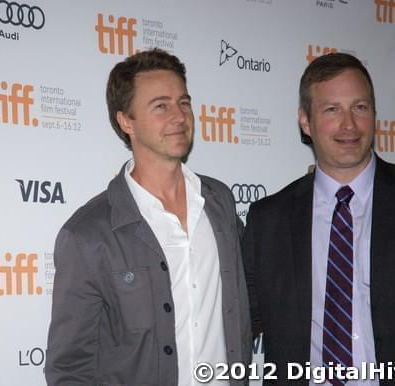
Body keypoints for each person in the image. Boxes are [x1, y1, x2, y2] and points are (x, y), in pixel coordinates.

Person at [242, 53, 395, 385]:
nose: (349, 124)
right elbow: (236, 322)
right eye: (332, 109)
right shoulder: (268, 220)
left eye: (360, 107)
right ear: (305, 121)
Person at [45, 48, 251, 386]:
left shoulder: (219, 203)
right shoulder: (88, 234)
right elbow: (70, 367)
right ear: (126, 121)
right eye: (161, 106)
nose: (179, 116)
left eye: (184, 103)